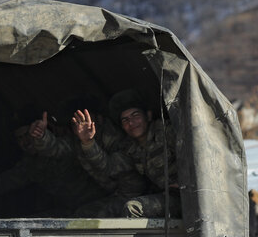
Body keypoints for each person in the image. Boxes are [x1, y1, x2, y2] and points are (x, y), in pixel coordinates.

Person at [0, 101, 126, 217]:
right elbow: (0, 185)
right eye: (20, 138)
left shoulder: (70, 144)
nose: (25, 141)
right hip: (69, 212)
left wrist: (42, 136)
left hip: (99, 205)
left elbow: (54, 148)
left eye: (28, 134)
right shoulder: (30, 164)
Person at [73, 89, 180, 218]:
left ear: (149, 116)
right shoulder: (129, 148)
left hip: (187, 196)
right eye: (125, 120)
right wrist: (88, 142)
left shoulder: (167, 132)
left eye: (136, 115)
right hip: (165, 197)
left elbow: (195, 155)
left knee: (132, 208)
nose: (131, 123)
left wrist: (184, 182)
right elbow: (109, 167)